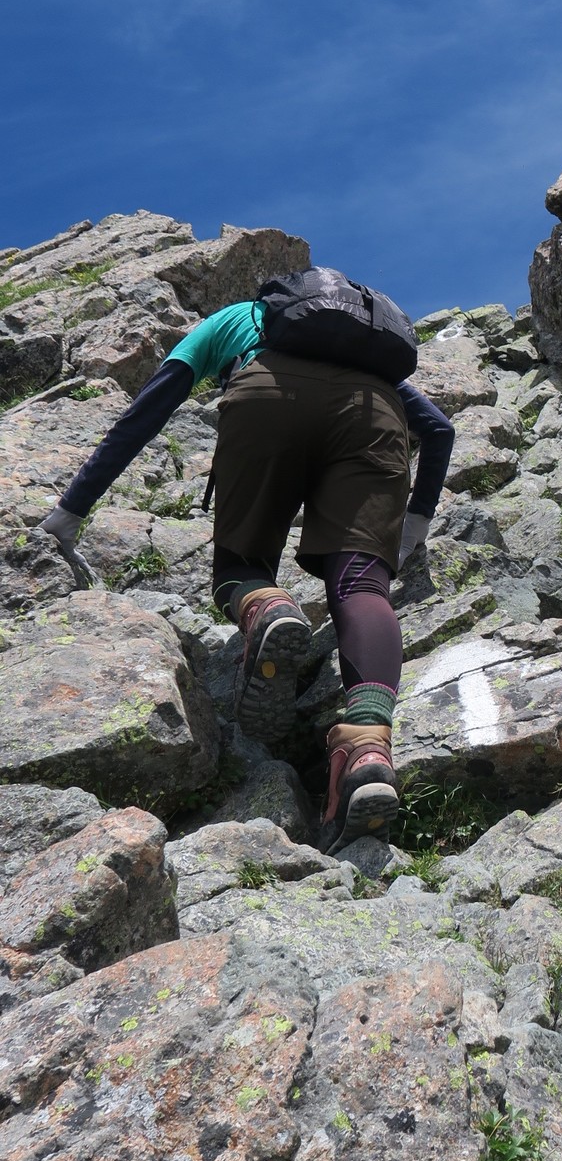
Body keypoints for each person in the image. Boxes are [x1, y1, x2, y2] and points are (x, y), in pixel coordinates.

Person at [37, 276, 454, 851]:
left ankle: (266, 604)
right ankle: (366, 746)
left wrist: (72, 507)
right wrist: (414, 527)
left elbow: (150, 408)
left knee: (239, 565)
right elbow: (438, 428)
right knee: (361, 586)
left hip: (267, 396)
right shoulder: (367, 358)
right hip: (373, 415)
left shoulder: (234, 319)